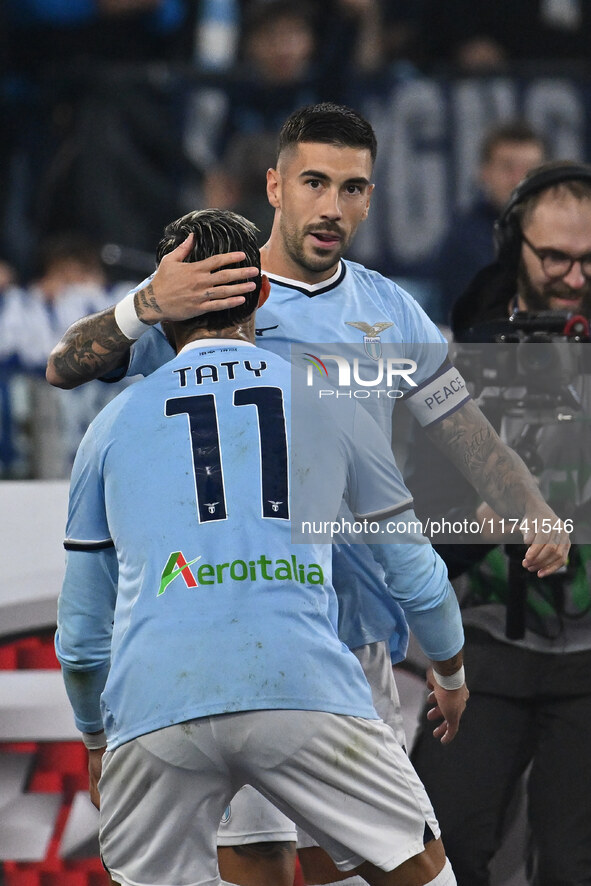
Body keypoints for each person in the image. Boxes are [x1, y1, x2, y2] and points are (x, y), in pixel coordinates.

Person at [47, 103, 569, 886]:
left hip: (348, 637)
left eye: (353, 188)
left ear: (369, 198)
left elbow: (463, 429)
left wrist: (529, 501)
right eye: (314, 182)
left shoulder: (388, 309)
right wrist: (146, 303)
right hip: (243, 623)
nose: (331, 206)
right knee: (263, 860)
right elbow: (64, 365)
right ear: (275, 185)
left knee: (343, 870)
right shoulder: (204, 287)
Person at [55, 206, 467, 886]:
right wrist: (448, 673)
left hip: (155, 706)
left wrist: (97, 740)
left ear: (163, 303)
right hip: (300, 683)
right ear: (264, 294)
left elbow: (80, 635)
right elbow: (414, 571)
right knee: (421, 872)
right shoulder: (330, 402)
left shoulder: (109, 425)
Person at [409, 161, 591, 885]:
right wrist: (479, 518)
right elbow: (418, 518)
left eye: (588, 261)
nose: (574, 278)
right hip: (482, 642)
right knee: (442, 851)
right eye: (554, 257)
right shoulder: (461, 356)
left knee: (573, 864)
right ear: (511, 243)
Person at [436, 120, 546, 324]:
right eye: (508, 168)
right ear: (484, 173)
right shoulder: (464, 241)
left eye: (530, 169)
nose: (519, 180)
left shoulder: (563, 235)